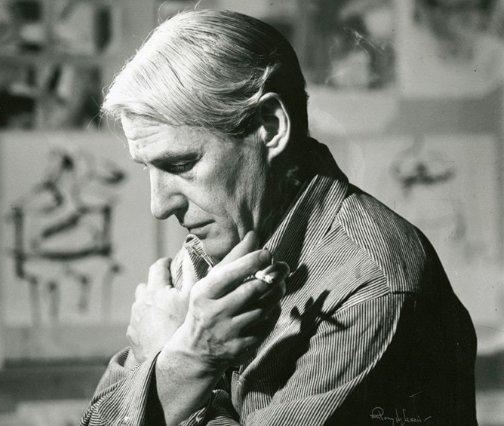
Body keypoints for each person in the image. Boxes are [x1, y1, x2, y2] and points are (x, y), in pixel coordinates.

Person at [80, 9, 477, 426]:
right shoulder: (210, 250)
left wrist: (180, 365)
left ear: (271, 126)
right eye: (147, 168)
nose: (159, 206)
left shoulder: (373, 290)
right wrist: (177, 368)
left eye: (181, 165)